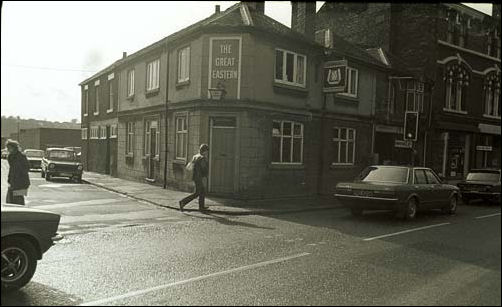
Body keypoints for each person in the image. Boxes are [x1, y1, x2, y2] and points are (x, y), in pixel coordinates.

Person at [179, 144, 209, 212]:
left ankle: (201, 207)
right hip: (199, 177)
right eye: (206, 151)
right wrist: (205, 175)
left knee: (202, 191)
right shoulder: (202, 158)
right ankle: (183, 202)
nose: (207, 152)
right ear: (204, 151)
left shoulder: (195, 156)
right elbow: (203, 168)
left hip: (195, 176)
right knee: (197, 193)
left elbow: (191, 166)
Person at [5, 139, 30, 205]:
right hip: (13, 181)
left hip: (21, 182)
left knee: (18, 200)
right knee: (10, 199)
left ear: (14, 147)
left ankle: (20, 213)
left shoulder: (21, 156)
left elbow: (27, 168)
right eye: (7, 148)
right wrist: (9, 179)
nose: (8, 150)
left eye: (9, 148)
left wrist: (19, 175)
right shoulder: (10, 157)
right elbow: (11, 169)